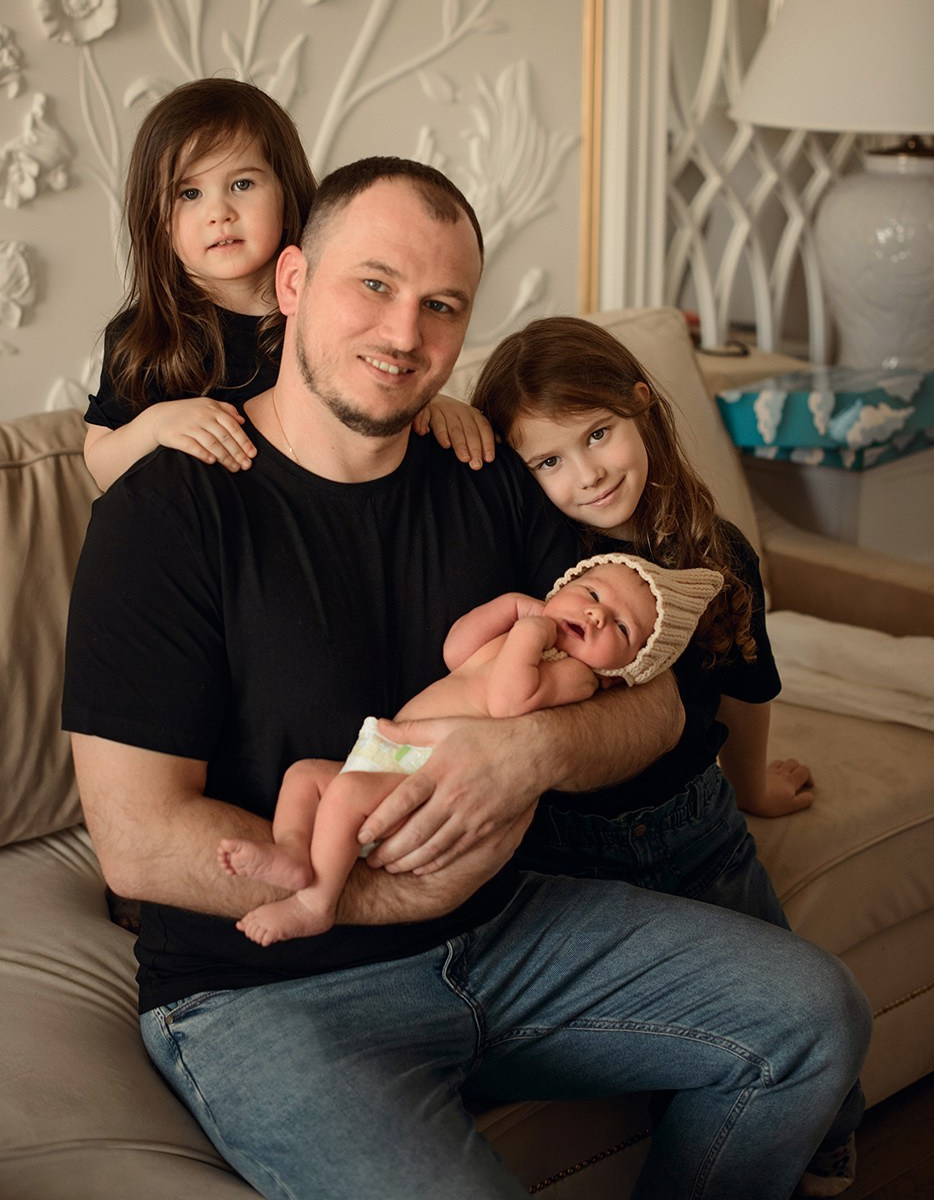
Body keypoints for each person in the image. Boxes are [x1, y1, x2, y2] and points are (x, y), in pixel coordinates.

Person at [64, 157, 870, 1200]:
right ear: (296, 280)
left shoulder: (486, 473)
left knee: (815, 1017)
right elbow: (136, 841)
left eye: (441, 305)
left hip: (509, 929)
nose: (406, 333)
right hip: (263, 994)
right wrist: (400, 883)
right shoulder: (167, 513)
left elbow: (656, 697)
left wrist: (529, 750)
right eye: (375, 284)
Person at [453, 314, 860, 1196]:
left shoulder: (715, 553)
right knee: (682, 1032)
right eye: (548, 460)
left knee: (814, 1045)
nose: (588, 473)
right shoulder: (537, 565)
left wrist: (752, 789)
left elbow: (749, 693)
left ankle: (814, 1167)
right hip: (562, 852)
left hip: (698, 834)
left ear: (642, 404)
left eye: (597, 434)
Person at [219, 553, 724, 945]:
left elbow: (510, 702)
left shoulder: (577, 677)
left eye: (619, 627)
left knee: (347, 794)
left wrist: (528, 631)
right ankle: (291, 851)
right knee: (305, 776)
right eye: (590, 591)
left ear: (623, 672)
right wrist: (508, 607)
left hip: (427, 775)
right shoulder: (521, 638)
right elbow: (456, 652)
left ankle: (316, 902)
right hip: (390, 753)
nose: (595, 612)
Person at [83, 77, 318, 491]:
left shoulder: (324, 316)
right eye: (189, 193)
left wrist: (430, 410)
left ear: (288, 196)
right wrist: (155, 426)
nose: (219, 213)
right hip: (197, 540)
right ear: (159, 221)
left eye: (242, 184)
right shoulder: (145, 336)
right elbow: (102, 466)